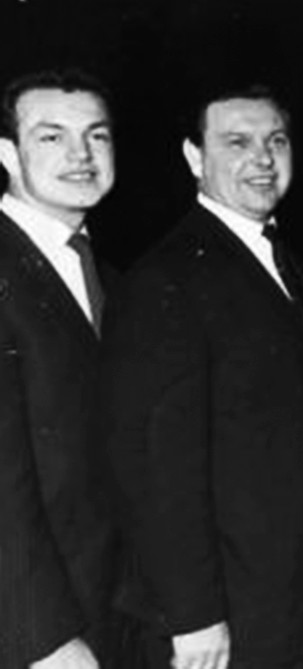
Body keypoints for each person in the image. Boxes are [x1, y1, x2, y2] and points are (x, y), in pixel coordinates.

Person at [101, 86, 303, 669]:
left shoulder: (293, 265)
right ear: (195, 156)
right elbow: (156, 470)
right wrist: (193, 616)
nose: (262, 158)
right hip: (230, 624)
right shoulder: (165, 280)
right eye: (237, 142)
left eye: (276, 141)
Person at [0, 69, 118, 669]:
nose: (81, 154)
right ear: (6, 153)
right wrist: (43, 637)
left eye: (97, 135)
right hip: (42, 630)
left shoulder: (111, 275)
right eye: (52, 136)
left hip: (117, 607)